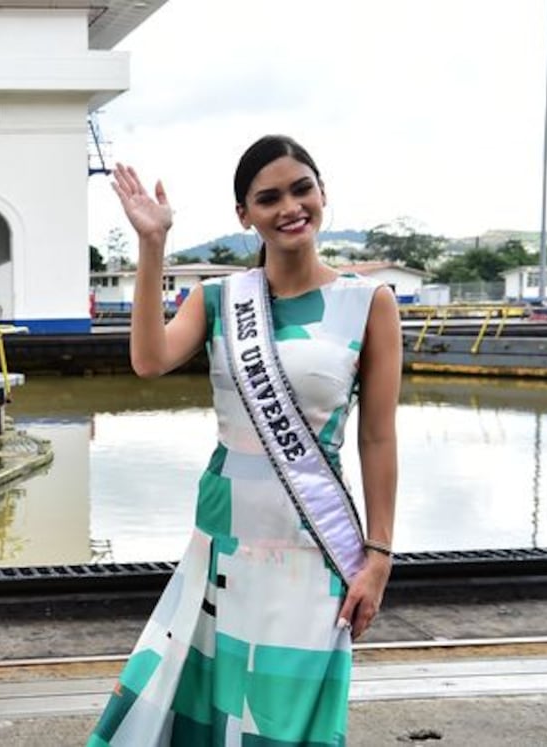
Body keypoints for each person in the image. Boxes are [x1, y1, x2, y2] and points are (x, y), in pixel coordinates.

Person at [88, 135, 401, 745]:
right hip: (222, 541)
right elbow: (149, 360)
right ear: (245, 215)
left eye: (301, 188)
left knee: (282, 719)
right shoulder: (221, 299)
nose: (290, 206)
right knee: (198, 703)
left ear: (322, 193)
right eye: (268, 197)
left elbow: (380, 438)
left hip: (314, 546)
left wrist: (379, 556)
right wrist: (153, 246)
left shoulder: (368, 303)